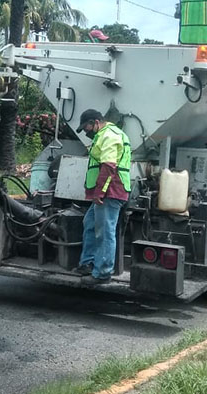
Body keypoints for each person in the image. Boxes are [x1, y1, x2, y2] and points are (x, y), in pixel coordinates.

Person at [73, 109, 131, 285]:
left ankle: (102, 273)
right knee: (90, 223)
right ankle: (88, 263)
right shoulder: (103, 135)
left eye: (87, 128)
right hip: (106, 192)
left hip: (110, 191)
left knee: (104, 232)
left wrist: (99, 193)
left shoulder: (109, 135)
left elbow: (108, 166)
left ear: (96, 122)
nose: (86, 132)